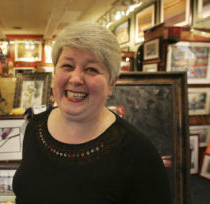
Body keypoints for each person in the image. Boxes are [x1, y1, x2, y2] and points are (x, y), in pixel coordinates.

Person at [13, 22, 171, 204]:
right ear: (55, 72)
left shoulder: (138, 154)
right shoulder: (34, 128)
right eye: (67, 66)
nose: (76, 79)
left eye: (91, 69)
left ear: (112, 83)